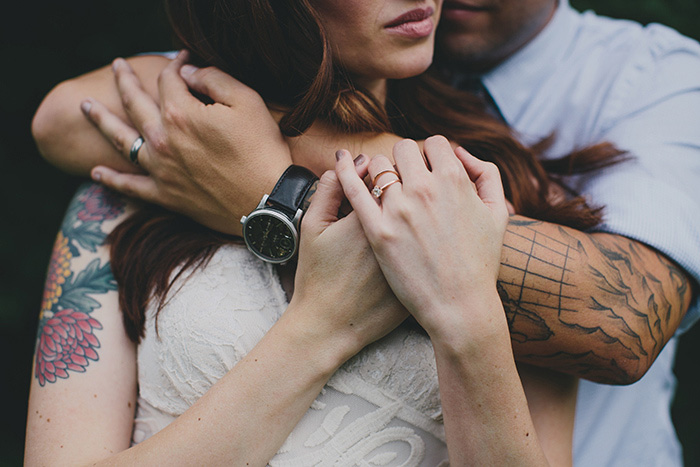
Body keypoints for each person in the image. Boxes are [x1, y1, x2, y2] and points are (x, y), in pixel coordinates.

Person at [28, 0, 697, 465]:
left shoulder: (504, 193)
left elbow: (621, 321)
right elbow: (63, 113)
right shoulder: (151, 170)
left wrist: (281, 188)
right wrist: (321, 325)